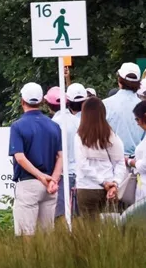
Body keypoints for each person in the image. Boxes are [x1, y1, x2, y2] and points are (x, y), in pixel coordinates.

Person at [9, 82, 62, 236]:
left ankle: (31, 261)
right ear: (42, 101)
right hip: (50, 185)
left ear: (22, 101)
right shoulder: (54, 126)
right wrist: (53, 179)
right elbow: (60, 156)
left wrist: (40, 176)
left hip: (28, 182)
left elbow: (20, 157)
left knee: (27, 235)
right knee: (47, 235)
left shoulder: (17, 126)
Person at [74, 97, 124, 216]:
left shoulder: (80, 137)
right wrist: (114, 183)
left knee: (89, 231)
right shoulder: (111, 136)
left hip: (87, 188)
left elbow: (82, 164)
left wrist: (102, 182)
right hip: (109, 189)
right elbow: (120, 162)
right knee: (110, 228)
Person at [52, 83, 87, 219]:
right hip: (83, 175)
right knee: (80, 217)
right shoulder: (90, 122)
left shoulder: (58, 121)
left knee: (62, 216)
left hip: (63, 174)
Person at [103, 62, 144, 157]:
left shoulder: (105, 104)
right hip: (138, 161)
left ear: (119, 80)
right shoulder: (144, 107)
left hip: (112, 161)